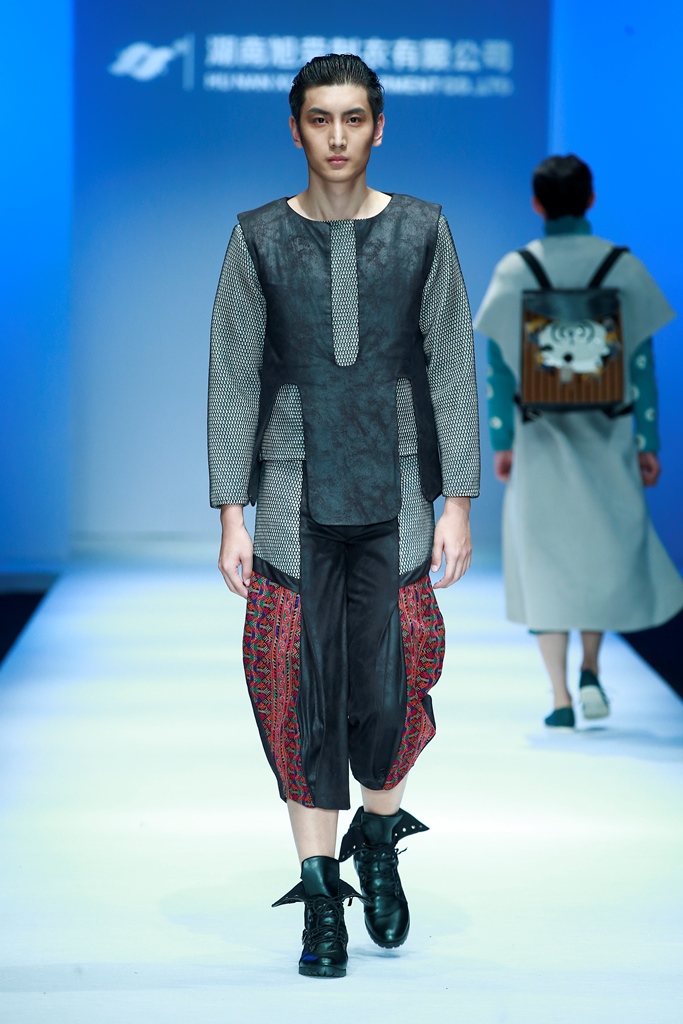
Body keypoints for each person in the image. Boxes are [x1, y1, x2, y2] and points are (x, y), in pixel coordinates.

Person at [208, 54, 480, 978]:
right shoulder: (255, 237)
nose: (336, 137)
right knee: (294, 681)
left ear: (378, 127)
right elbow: (232, 374)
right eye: (319, 119)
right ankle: (320, 896)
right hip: (291, 486)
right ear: (295, 129)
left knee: (398, 679)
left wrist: (458, 500)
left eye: (352, 119)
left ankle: (378, 835)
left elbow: (451, 365)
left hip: (397, 482)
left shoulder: (422, 229)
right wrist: (231, 512)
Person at [474, 154, 683, 728]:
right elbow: (641, 365)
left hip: (539, 437)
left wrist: (501, 439)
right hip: (609, 434)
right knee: (601, 554)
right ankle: (592, 668)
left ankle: (561, 697)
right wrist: (648, 440)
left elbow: (499, 367)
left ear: (537, 204)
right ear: (590, 199)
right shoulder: (621, 267)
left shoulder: (516, 270)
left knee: (544, 561)